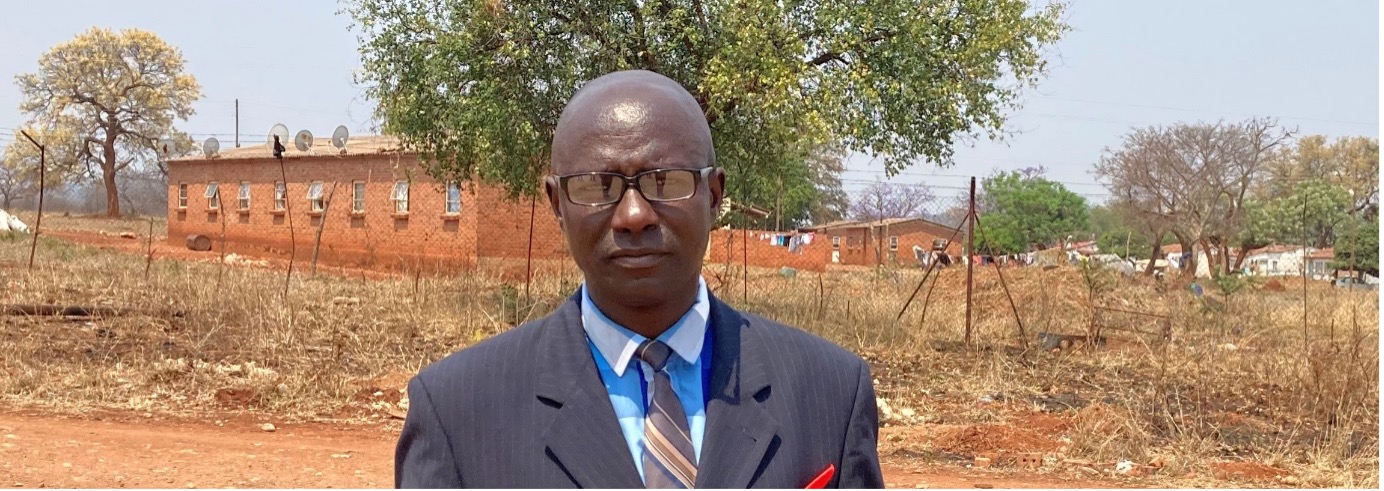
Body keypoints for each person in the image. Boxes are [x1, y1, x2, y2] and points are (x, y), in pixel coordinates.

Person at [395, 70, 884, 489]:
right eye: (597, 186)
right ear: (557, 205)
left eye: (665, 181)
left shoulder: (830, 391)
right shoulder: (458, 412)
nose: (633, 215)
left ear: (714, 195)